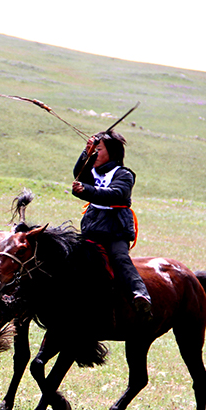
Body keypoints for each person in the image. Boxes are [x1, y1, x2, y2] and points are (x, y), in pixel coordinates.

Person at [71, 130, 152, 320]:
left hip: (115, 229)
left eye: (98, 150)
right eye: (93, 150)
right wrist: (86, 152)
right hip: (92, 226)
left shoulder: (124, 174)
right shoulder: (91, 171)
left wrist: (87, 189)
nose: (94, 154)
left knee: (119, 258)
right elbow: (79, 174)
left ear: (112, 152)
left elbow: (117, 194)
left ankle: (140, 294)